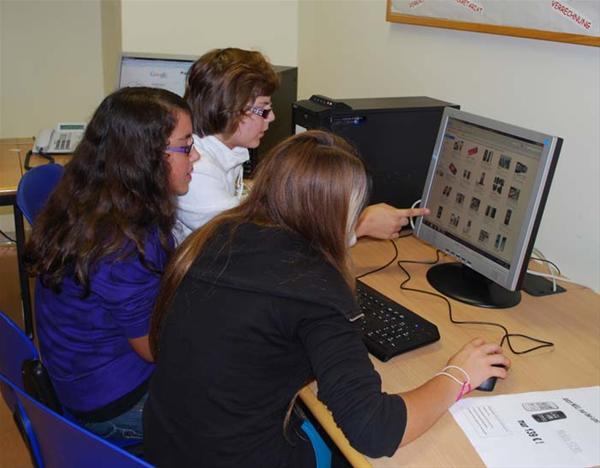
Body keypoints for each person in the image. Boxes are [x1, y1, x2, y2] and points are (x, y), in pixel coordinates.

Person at [145, 130, 509, 467]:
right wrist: (458, 375)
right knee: (334, 449)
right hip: (230, 459)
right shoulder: (315, 286)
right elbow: (375, 430)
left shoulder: (217, 234)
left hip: (166, 444)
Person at [24, 87, 198, 443]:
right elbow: (155, 348)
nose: (195, 156)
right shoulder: (124, 244)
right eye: (186, 145)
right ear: (147, 157)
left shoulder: (90, 198)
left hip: (78, 375)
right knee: (242, 409)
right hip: (113, 402)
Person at [174, 47, 428, 244]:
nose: (271, 117)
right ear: (230, 109)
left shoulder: (223, 151)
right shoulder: (197, 169)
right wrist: (360, 225)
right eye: (263, 109)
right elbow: (260, 244)